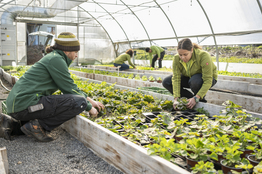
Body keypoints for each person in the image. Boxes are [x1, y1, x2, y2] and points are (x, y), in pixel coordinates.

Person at [2, 32, 105, 142]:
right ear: (66, 51)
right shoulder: (56, 60)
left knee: (79, 100)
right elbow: (69, 88)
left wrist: (91, 101)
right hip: (24, 105)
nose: (76, 55)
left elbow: (70, 87)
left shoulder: (54, 57)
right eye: (75, 52)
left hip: (20, 105)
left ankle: (12, 125)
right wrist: (89, 107)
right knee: (80, 103)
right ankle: (38, 126)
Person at [162, 38, 217, 110]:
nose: (182, 57)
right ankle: (189, 100)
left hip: (205, 79)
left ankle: (200, 101)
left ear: (191, 50)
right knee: (167, 82)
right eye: (180, 55)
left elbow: (208, 80)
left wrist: (196, 97)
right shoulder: (176, 58)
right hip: (190, 77)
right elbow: (176, 78)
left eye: (185, 54)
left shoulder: (203, 55)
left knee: (195, 81)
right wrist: (176, 98)